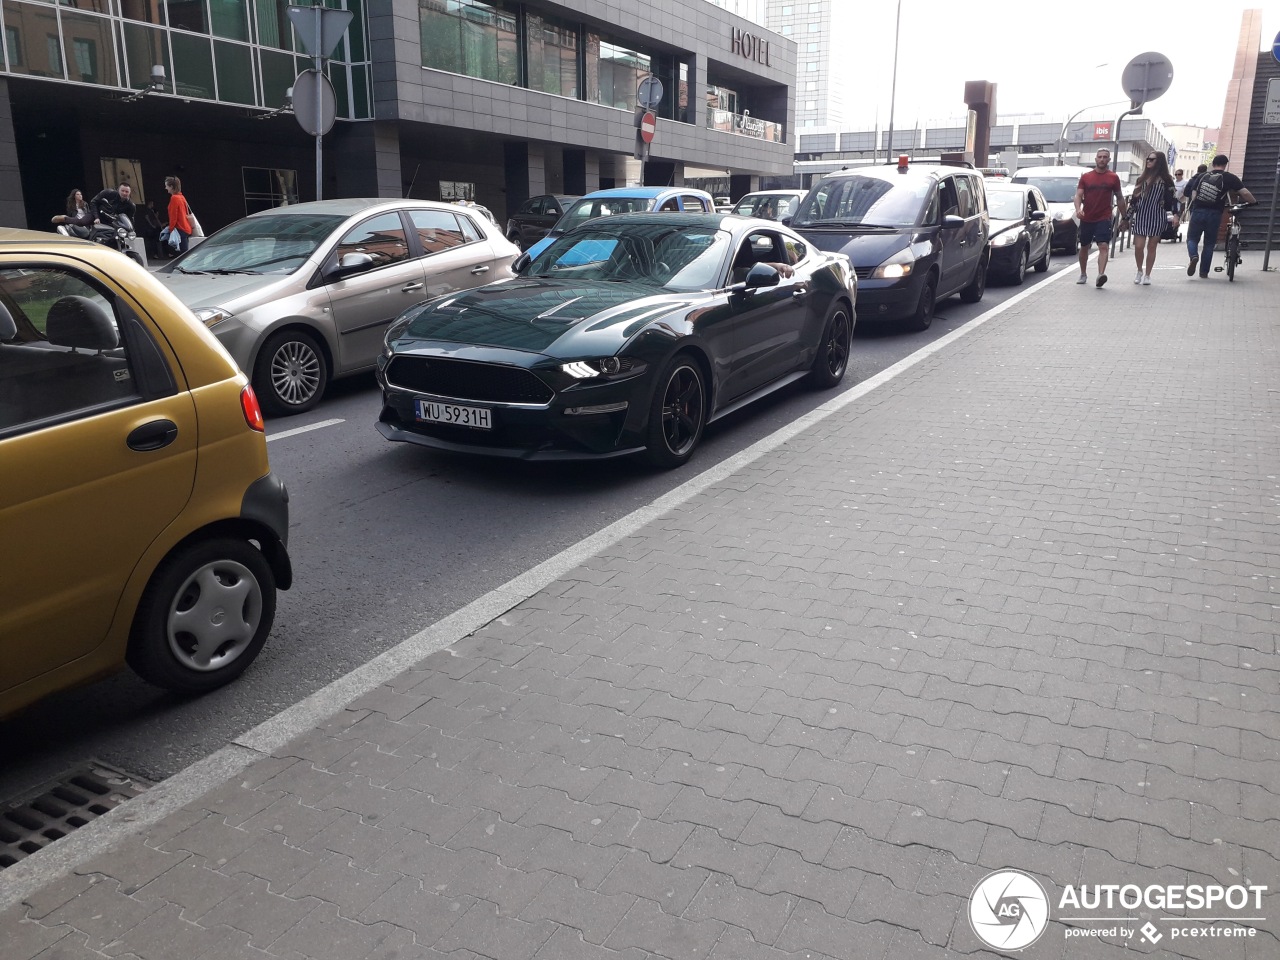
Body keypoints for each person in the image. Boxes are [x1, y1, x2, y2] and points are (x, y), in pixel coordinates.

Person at [1184, 154, 1256, 279]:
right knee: (1209, 243)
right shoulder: (1229, 177)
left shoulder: (1201, 176)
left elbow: (1194, 194)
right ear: (1225, 165)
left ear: (1213, 164)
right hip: (1215, 213)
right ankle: (1203, 273)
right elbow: (1244, 192)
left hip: (1198, 211)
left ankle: (1194, 256)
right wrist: (1253, 202)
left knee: (1192, 239)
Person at [1073, 148, 1127, 288]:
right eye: (1100, 157)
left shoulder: (1113, 177)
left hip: (1104, 217)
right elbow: (1078, 195)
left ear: (1109, 160)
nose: (1102, 159)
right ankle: (1083, 273)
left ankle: (1100, 275)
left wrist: (1125, 217)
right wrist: (1078, 209)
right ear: (1096, 159)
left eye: (1105, 157)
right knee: (1084, 246)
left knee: (1103, 245)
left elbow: (1120, 198)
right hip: (1087, 217)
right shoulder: (1086, 177)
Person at [1128, 151, 1180, 285]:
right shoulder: (1141, 179)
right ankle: (1139, 270)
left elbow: (1174, 200)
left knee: (1152, 246)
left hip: (1157, 216)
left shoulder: (1166, 180)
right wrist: (1126, 218)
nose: (1148, 161)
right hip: (1141, 215)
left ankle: (1148, 275)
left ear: (1159, 162)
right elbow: (1134, 200)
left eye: (1152, 159)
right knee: (1138, 246)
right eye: (1148, 159)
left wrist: (1176, 215)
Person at [164, 175, 193, 255]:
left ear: (171, 186)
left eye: (166, 186)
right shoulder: (181, 197)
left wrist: (171, 228)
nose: (166, 188)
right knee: (184, 252)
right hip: (185, 228)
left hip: (180, 228)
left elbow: (173, 215)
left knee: (182, 254)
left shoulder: (174, 198)